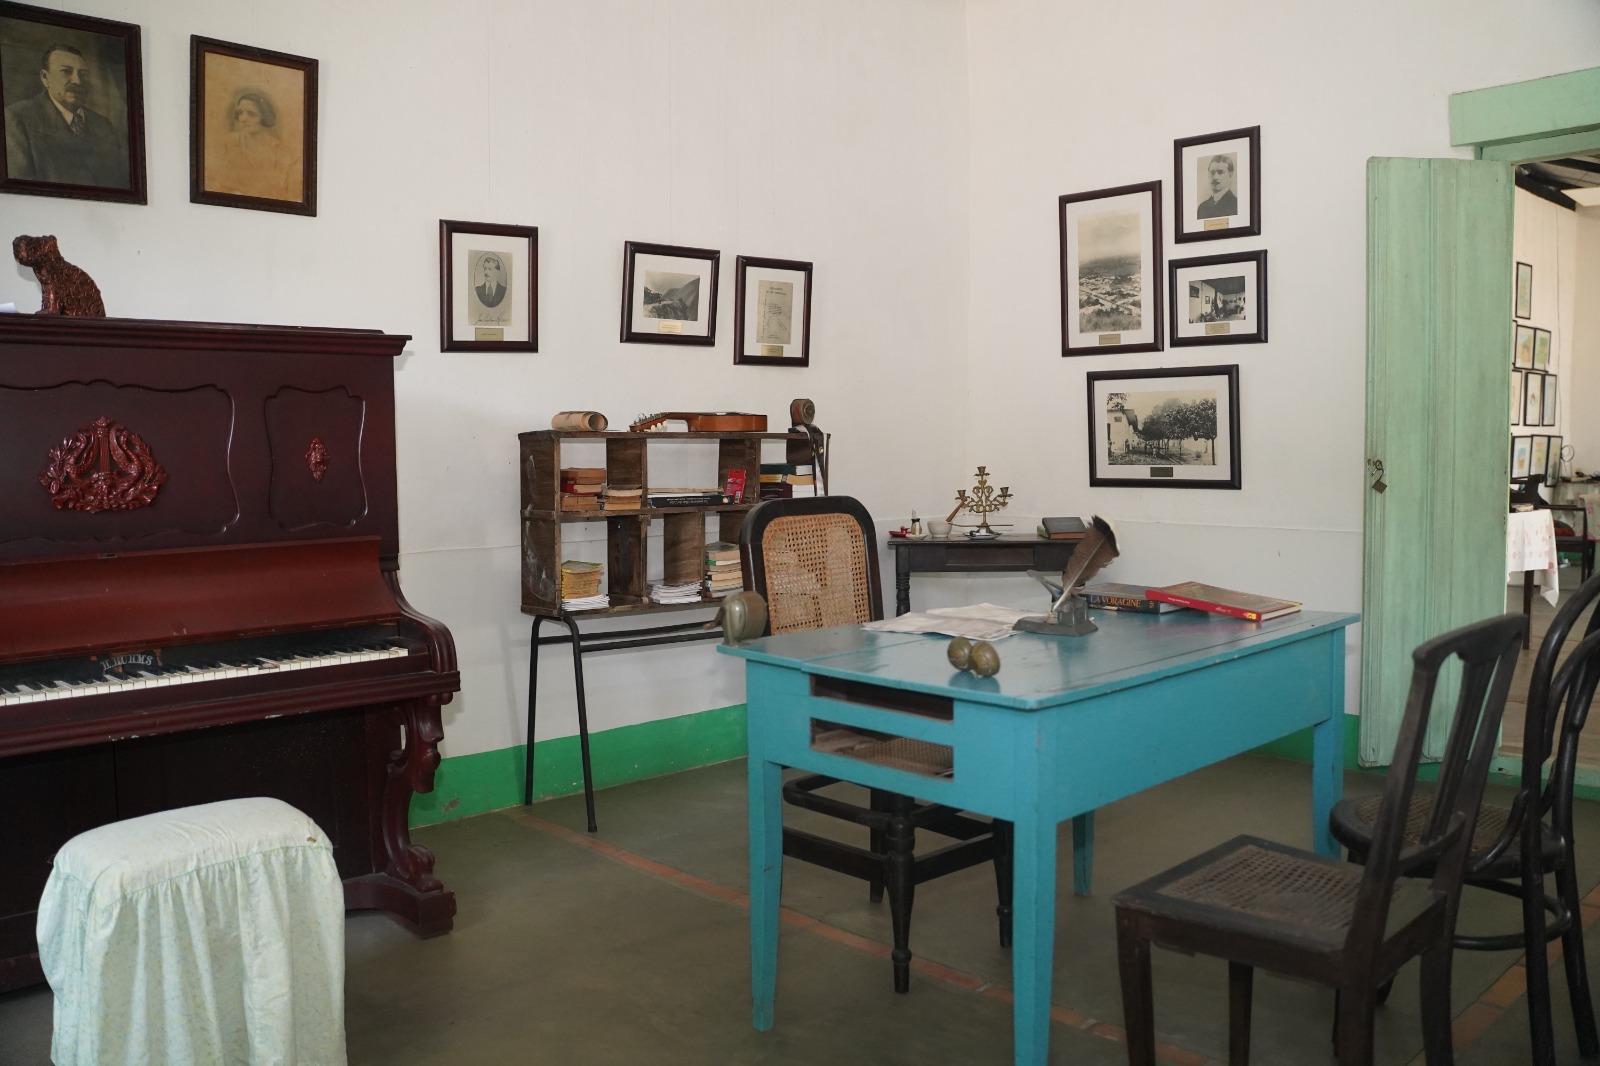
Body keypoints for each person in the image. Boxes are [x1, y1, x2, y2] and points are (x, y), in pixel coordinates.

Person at [4, 43, 128, 188]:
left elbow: (118, 184)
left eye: (83, 74)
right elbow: (19, 189)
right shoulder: (17, 118)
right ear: (45, 78)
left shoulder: (104, 125)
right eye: (66, 71)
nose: (77, 81)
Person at [208, 89, 298, 201]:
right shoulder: (226, 143)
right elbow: (213, 181)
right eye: (240, 113)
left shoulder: (279, 149)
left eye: (251, 114)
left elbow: (285, 190)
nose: (243, 119)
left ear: (264, 117)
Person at [1195, 154, 1237, 219]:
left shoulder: (1236, 205)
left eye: (1220, 172)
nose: (1215, 177)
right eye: (1212, 172)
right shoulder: (1202, 208)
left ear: (1230, 175)